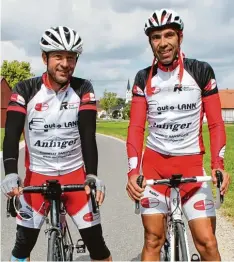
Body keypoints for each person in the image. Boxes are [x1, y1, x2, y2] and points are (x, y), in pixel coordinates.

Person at [126, 9, 230, 261]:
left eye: (169, 35)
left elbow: (216, 123)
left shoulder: (201, 71)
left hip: (191, 168)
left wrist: (218, 165)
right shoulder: (143, 77)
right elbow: (136, 128)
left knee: (207, 242)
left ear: (180, 37)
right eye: (156, 37)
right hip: (154, 168)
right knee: (152, 240)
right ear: (150, 42)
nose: (163, 43)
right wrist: (133, 172)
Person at [1, 26, 112, 261]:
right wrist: (10, 173)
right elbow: (11, 136)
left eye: (71, 58)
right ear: (45, 58)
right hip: (37, 177)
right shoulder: (25, 89)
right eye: (58, 56)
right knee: (22, 248)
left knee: (98, 247)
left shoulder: (83, 89)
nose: (65, 63)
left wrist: (91, 175)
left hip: (74, 176)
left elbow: (87, 135)